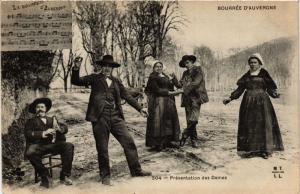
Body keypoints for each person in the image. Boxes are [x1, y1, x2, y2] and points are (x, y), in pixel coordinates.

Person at [71, 55, 151, 186]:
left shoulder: (116, 81)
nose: (107, 68)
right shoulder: (94, 78)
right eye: (105, 66)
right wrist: (76, 67)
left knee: (129, 142)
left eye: (110, 66)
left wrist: (140, 109)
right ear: (101, 66)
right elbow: (76, 81)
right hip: (99, 117)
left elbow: (127, 96)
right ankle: (105, 176)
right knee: (102, 148)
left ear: (112, 68)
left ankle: (136, 170)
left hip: (116, 117)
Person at [223, 53, 284, 159]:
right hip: (248, 102)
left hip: (262, 102)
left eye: (255, 62)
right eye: (250, 62)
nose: (252, 64)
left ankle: (265, 150)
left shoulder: (264, 73)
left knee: (264, 125)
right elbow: (240, 89)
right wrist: (230, 98)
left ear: (260, 63)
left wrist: (275, 94)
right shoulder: (246, 75)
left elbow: (270, 88)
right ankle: (251, 149)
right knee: (249, 125)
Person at [24, 98, 74, 188]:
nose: (40, 109)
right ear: (35, 110)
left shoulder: (52, 119)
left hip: (53, 145)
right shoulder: (30, 121)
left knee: (69, 146)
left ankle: (64, 175)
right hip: (39, 146)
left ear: (46, 109)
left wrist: (59, 128)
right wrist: (43, 133)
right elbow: (28, 133)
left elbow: (64, 128)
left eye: (42, 107)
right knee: (29, 153)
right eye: (38, 107)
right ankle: (45, 175)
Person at [144, 60, 182, 151]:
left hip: (169, 102)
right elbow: (157, 90)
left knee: (169, 121)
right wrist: (171, 93)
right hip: (158, 102)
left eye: (160, 66)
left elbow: (177, 85)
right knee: (159, 122)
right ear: (153, 68)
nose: (159, 68)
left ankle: (168, 141)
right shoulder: (152, 77)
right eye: (157, 66)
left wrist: (173, 78)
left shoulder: (165, 76)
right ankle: (158, 143)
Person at [178, 55, 209, 148]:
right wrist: (173, 79)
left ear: (192, 62)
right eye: (184, 63)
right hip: (187, 98)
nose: (186, 65)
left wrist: (184, 89)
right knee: (189, 119)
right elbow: (180, 83)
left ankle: (185, 134)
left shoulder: (198, 70)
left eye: (187, 62)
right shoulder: (184, 73)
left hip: (196, 97)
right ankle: (193, 140)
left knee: (194, 119)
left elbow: (195, 83)